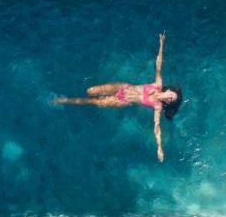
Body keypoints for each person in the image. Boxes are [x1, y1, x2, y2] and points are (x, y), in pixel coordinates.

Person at [53, 32, 183, 162]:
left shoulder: (158, 106)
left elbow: (157, 126)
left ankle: (64, 100)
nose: (170, 97)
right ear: (169, 90)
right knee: (90, 91)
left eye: (172, 99)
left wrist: (159, 147)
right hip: (122, 87)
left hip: (121, 100)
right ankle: (69, 98)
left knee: (91, 101)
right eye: (172, 94)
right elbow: (158, 65)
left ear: (168, 102)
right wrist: (161, 44)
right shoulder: (158, 84)